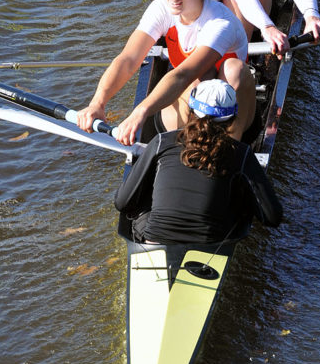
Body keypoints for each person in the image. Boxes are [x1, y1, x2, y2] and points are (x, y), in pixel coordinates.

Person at [76, 0, 255, 144]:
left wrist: (139, 111)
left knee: (231, 69)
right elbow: (128, 60)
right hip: (188, 109)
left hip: (229, 115)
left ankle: (229, 147)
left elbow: (184, 75)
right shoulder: (162, 8)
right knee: (196, 83)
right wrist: (97, 103)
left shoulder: (220, 23)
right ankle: (183, 145)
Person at [114, 80, 283, 245]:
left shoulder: (161, 142)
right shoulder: (242, 153)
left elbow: (122, 202)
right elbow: (272, 218)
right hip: (213, 242)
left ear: (191, 110)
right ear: (232, 118)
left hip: (155, 239)